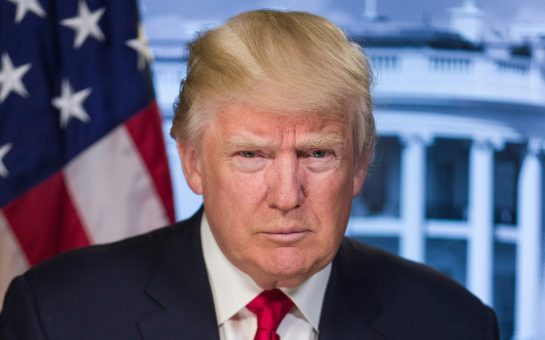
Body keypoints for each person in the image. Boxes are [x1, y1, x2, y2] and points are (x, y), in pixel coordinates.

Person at [0, 10, 498, 340]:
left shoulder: (453, 324)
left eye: (317, 154)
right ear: (193, 162)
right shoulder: (58, 315)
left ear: (361, 166)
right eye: (251, 156)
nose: (286, 195)